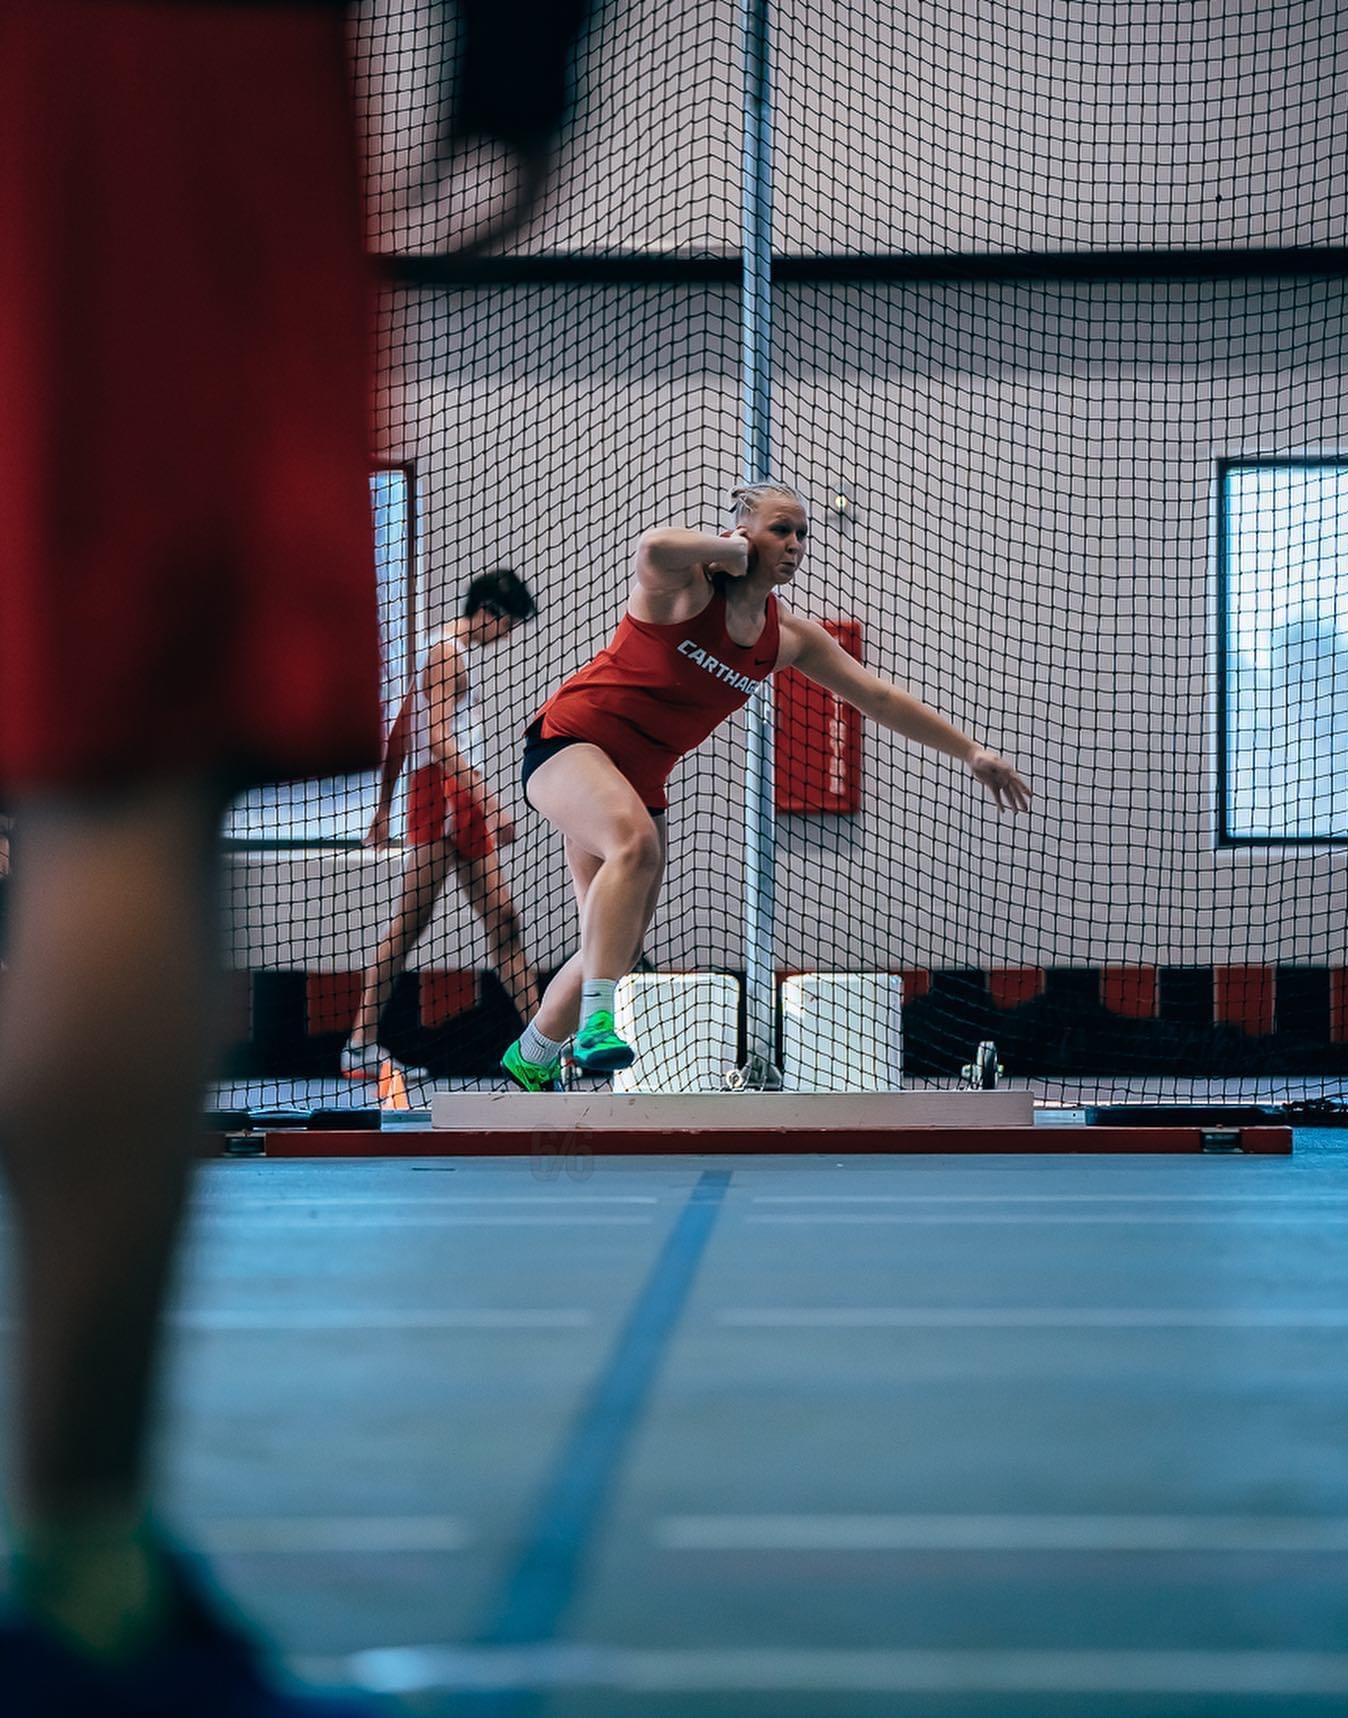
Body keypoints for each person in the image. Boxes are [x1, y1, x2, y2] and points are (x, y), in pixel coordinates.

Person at [0, 2, 594, 1712]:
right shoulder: (466, 657)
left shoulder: (471, 662)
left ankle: (427, 1027)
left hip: (449, 790)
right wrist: (517, 60)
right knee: (128, 775)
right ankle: (82, 1568)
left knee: (432, 898)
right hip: (141, 62)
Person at [501, 481, 1033, 1090]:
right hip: (570, 745)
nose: (795, 545)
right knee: (637, 846)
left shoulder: (790, 639)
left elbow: (878, 697)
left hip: (639, 781)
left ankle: (532, 1055)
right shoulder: (685, 588)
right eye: (781, 529)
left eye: (802, 533)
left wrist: (971, 752)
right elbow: (652, 546)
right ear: (741, 531)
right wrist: (722, 552)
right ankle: (597, 1024)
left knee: (613, 943)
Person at [343, 571, 539, 1078]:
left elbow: (400, 734)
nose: (509, 636)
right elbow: (438, 739)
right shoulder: (448, 653)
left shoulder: (439, 648)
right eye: (510, 625)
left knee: (502, 922)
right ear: (491, 613)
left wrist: (383, 809)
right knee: (415, 923)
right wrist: (489, 803)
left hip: (446, 794)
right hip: (446, 794)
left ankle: (541, 1046)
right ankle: (360, 1045)